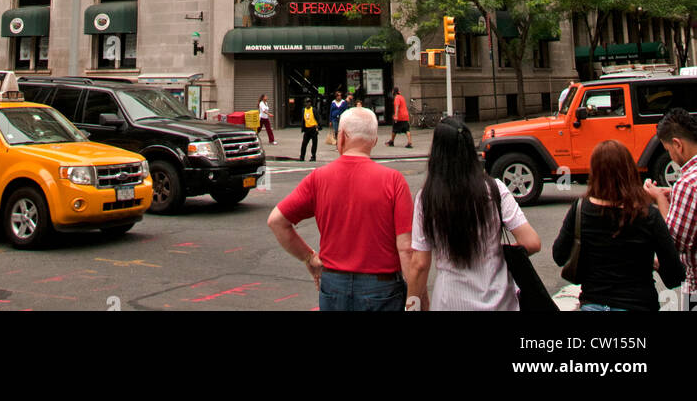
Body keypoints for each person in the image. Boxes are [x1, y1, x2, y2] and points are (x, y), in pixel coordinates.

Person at [268, 107, 414, 311]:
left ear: (342, 137)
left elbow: (276, 221)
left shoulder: (318, 179)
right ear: (373, 141)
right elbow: (406, 248)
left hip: (334, 285)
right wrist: (417, 297)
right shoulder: (394, 181)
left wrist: (309, 257)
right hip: (382, 288)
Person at [405, 116, 541, 310]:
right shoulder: (495, 189)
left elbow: (419, 264)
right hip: (500, 301)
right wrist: (497, 253)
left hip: (451, 301)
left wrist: (411, 306)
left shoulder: (427, 198)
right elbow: (532, 242)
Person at [552, 139, 684, 311]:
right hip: (638, 303)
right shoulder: (647, 215)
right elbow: (675, 276)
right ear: (629, 171)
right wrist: (656, 265)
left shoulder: (580, 209)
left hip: (594, 302)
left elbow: (559, 255)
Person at [644, 106, 697, 295]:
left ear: (677, 144)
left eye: (668, 150)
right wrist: (675, 193)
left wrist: (660, 199)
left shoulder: (688, 184)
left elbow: (673, 244)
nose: (671, 157)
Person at [299, 97, 319, 162]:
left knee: (314, 144)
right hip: (307, 129)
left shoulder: (313, 109)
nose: (308, 104)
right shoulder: (303, 110)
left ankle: (313, 157)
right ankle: (302, 157)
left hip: (313, 128)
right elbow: (303, 119)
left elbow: (318, 118)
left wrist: (318, 127)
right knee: (304, 144)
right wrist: (303, 128)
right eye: (306, 102)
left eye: (309, 102)